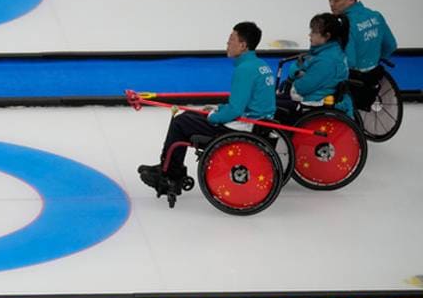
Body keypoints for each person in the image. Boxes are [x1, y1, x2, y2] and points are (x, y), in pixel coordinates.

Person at [138, 22, 275, 195]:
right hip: (258, 123)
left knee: (181, 122)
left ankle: (170, 175)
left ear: (243, 45)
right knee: (190, 115)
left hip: (244, 126)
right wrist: (218, 109)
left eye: (231, 39)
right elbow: (246, 103)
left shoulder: (245, 70)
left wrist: (213, 116)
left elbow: (235, 110)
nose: (227, 43)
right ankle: (169, 167)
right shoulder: (261, 66)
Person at [327, 0, 397, 109]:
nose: (331, 5)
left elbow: (349, 62)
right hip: (374, 76)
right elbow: (391, 45)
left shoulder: (345, 24)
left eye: (336, 0)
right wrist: (374, 59)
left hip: (354, 82)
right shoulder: (376, 16)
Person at [275, 12, 353, 123]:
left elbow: (302, 88)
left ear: (327, 36)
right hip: (316, 97)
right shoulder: (328, 53)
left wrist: (296, 74)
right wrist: (298, 73)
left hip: (312, 104)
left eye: (314, 32)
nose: (310, 35)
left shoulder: (326, 61)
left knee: (268, 105)